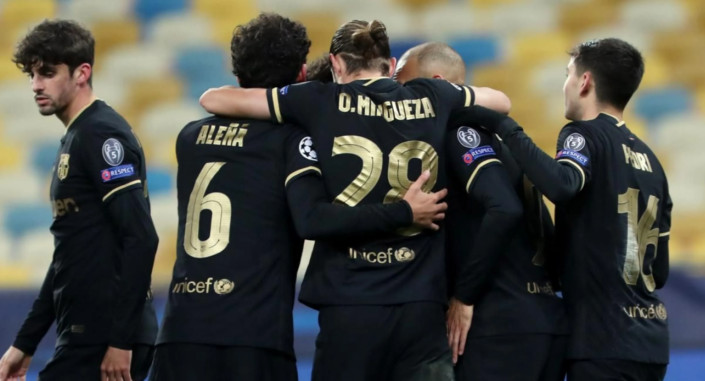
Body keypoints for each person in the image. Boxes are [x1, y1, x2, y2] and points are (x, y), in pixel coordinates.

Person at [199, 19, 512, 381]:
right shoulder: (433, 95)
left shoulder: (317, 99)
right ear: (391, 65)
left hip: (350, 301)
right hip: (421, 303)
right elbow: (500, 101)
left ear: (335, 65)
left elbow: (213, 98)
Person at [151, 13, 447, 381]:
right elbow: (314, 219)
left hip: (180, 331)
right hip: (255, 333)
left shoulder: (189, 137)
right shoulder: (293, 142)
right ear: (302, 73)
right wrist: (401, 212)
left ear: (238, 72)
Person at [467, 38, 672, 381]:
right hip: (652, 343)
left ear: (585, 82)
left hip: (603, 340)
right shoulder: (653, 161)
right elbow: (660, 271)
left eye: (568, 74)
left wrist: (506, 127)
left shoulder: (584, 134)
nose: (565, 85)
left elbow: (562, 184)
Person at [394, 42, 568, 381]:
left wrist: (464, 295)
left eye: (402, 86)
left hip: (500, 327)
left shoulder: (462, 132)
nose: (396, 101)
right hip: (544, 318)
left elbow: (504, 209)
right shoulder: (504, 141)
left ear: (438, 83)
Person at [0, 19, 159, 381]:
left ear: (82, 72)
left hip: (105, 337)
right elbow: (67, 255)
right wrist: (25, 343)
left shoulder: (100, 133)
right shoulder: (77, 136)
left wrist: (121, 342)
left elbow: (142, 237)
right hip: (84, 333)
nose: (36, 85)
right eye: (32, 74)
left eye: (48, 73)